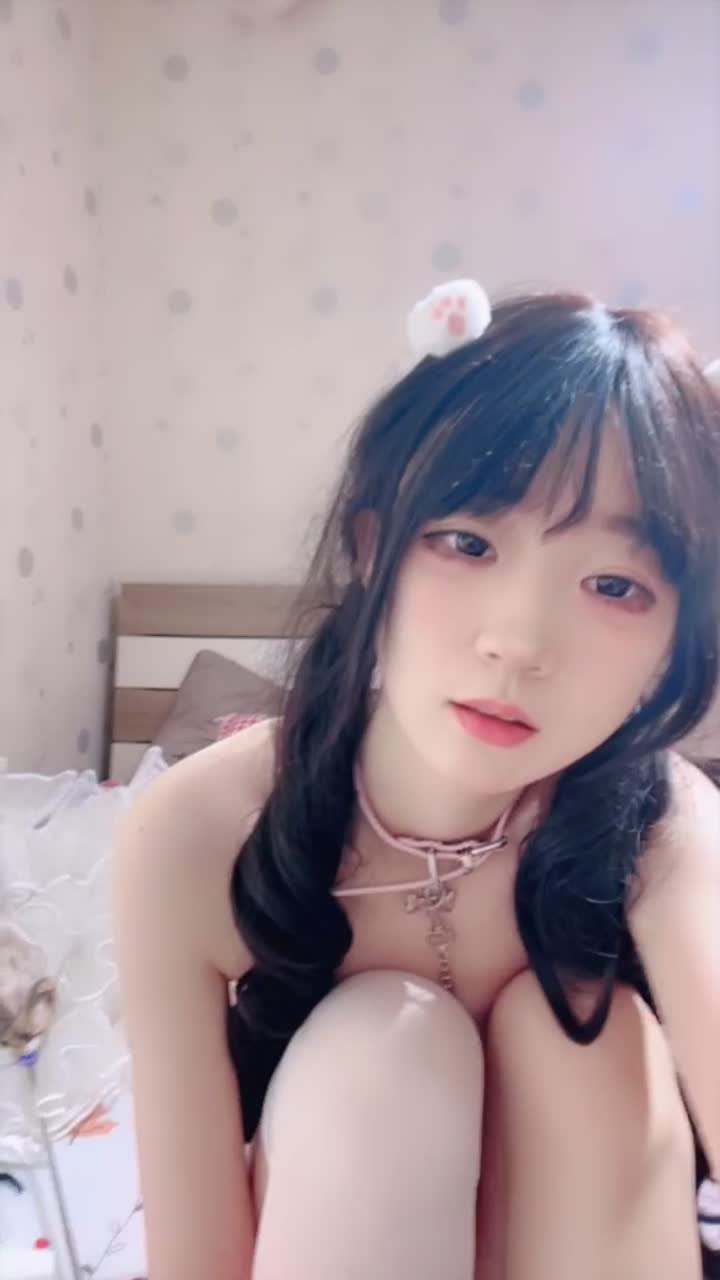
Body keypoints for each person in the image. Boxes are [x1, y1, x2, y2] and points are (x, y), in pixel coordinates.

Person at [113, 282, 720, 1280]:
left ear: (673, 642)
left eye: (615, 585)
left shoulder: (664, 825)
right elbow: (198, 1257)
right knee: (381, 1050)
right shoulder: (197, 831)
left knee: (582, 1033)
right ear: (371, 550)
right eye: (467, 543)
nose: (518, 642)